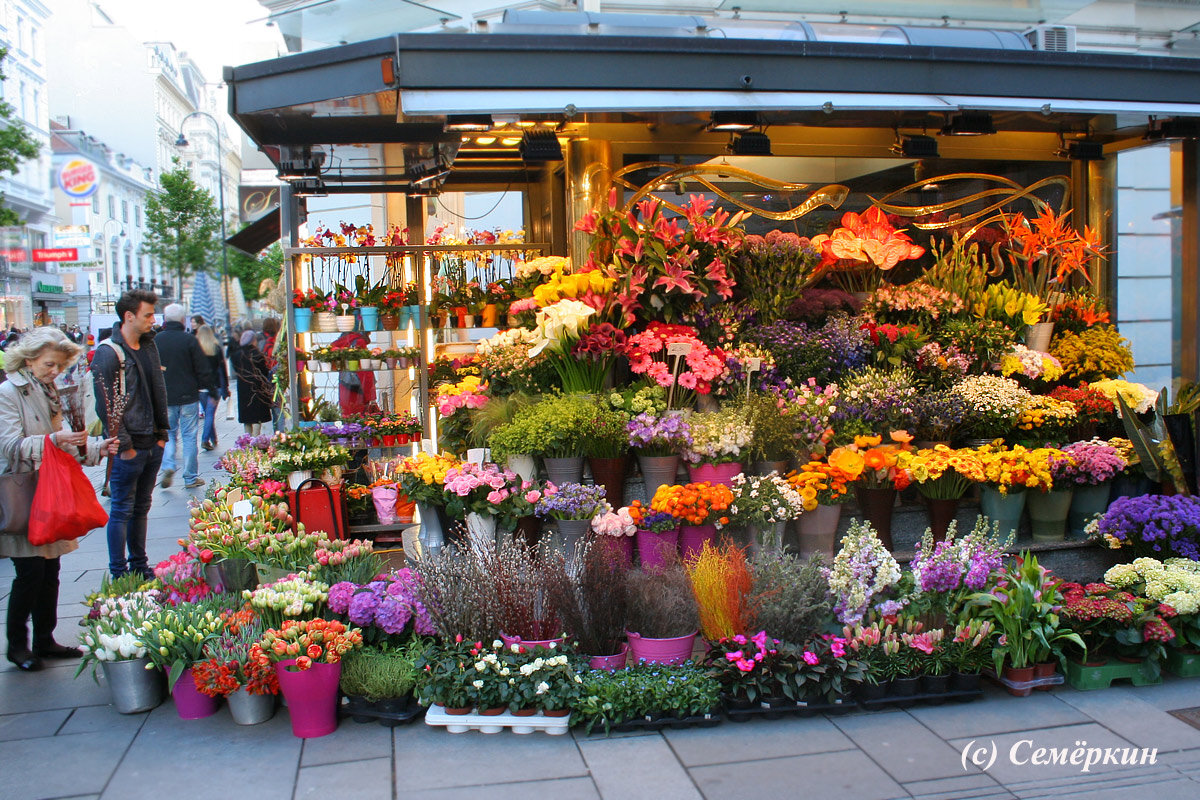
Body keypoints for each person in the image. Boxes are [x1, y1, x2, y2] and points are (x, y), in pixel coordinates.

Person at [0, 327, 119, 670]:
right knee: (29, 573)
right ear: (30, 357)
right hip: (27, 493)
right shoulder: (10, 393)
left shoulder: (47, 390)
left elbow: (64, 444)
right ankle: (17, 647)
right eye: (50, 364)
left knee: (50, 570)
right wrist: (53, 440)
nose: (55, 372)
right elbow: (9, 447)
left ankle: (44, 639)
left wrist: (95, 448)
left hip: (51, 493)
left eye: (60, 366)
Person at [91, 290, 169, 579]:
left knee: (142, 506)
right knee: (122, 508)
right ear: (129, 316)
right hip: (130, 444)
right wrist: (125, 445)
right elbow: (105, 403)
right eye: (148, 314)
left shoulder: (149, 345)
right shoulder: (108, 352)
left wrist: (161, 435)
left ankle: (139, 564)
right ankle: (119, 571)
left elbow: (157, 389)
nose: (153, 319)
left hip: (152, 440)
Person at [155, 304, 212, 489]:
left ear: (165, 319)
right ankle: (190, 477)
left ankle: (169, 465)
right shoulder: (189, 340)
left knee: (169, 434)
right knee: (189, 436)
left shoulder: (157, 340)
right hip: (188, 395)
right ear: (182, 320)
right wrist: (207, 387)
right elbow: (202, 367)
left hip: (165, 396)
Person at [230, 329, 273, 435]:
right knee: (258, 416)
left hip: (243, 389)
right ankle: (255, 438)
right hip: (257, 388)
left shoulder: (237, 355)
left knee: (247, 418)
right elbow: (264, 372)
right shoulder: (257, 354)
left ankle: (247, 439)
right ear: (253, 340)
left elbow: (236, 370)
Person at [195, 324, 228, 450]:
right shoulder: (215, 348)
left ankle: (213, 439)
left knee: (208, 413)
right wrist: (225, 387)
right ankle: (205, 439)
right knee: (210, 414)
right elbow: (221, 369)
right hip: (215, 386)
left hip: (201, 387)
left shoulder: (196, 349)